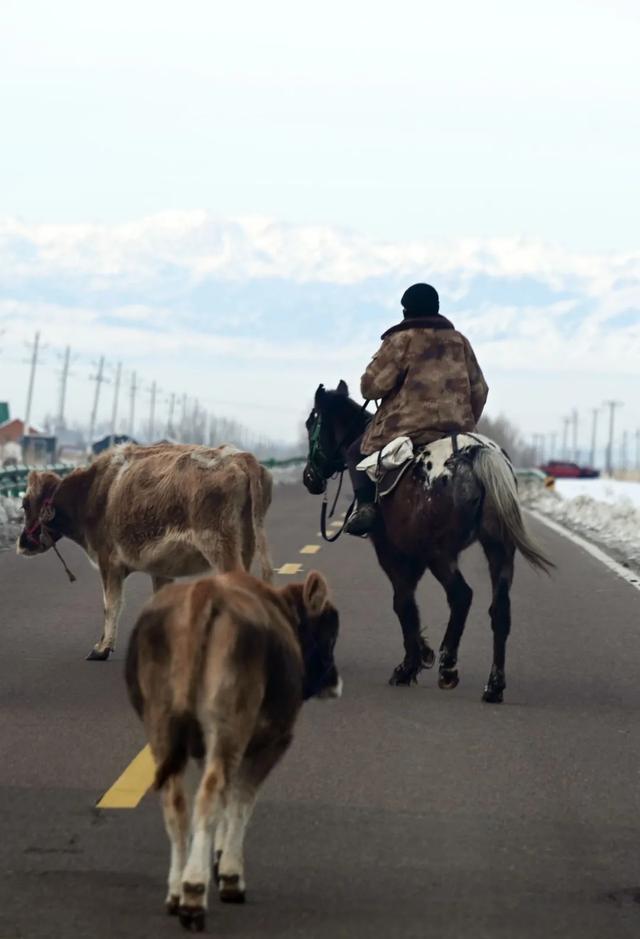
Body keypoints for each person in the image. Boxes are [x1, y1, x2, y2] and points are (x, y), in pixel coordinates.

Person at [345, 283, 489, 536]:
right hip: (458, 431)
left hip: (408, 430)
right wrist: (466, 423)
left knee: (356, 452)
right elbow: (480, 390)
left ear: (406, 311)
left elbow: (370, 389)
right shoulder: (459, 341)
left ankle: (366, 508)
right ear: (437, 308)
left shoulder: (401, 340)